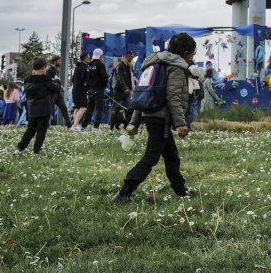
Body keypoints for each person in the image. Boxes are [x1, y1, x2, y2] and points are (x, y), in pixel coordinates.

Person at [111, 32, 198, 203]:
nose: (192, 57)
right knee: (151, 157)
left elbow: (141, 95)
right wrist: (181, 123)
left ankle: (181, 190)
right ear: (186, 53)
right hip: (161, 118)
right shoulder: (176, 67)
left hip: (152, 115)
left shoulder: (153, 63)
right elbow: (173, 97)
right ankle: (123, 193)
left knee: (172, 156)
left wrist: (134, 122)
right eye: (192, 54)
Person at [14, 56, 62, 155]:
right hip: (44, 109)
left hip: (32, 109)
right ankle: (37, 149)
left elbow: (27, 92)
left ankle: (19, 148)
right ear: (44, 67)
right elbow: (57, 89)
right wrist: (57, 80)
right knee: (41, 130)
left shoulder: (28, 80)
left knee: (30, 130)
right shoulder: (46, 79)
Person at [109, 52, 135, 131]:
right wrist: (125, 88)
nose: (132, 58)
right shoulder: (119, 66)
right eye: (131, 57)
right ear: (127, 57)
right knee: (115, 106)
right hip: (119, 89)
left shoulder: (129, 66)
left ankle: (125, 124)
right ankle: (110, 123)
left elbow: (130, 78)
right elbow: (120, 78)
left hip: (127, 90)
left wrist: (130, 88)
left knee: (126, 107)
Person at [45, 56, 72, 128]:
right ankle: (46, 125)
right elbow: (48, 83)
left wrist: (60, 86)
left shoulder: (56, 70)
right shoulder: (49, 71)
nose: (61, 62)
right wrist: (56, 86)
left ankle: (69, 125)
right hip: (52, 94)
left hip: (58, 93)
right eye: (59, 61)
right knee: (49, 110)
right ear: (54, 61)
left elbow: (56, 81)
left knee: (64, 108)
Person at [70, 51, 90, 129]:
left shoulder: (77, 67)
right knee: (83, 108)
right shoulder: (84, 67)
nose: (90, 58)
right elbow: (84, 78)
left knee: (77, 108)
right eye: (88, 57)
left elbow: (72, 79)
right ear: (85, 58)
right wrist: (88, 84)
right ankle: (75, 125)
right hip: (81, 90)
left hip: (75, 89)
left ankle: (75, 125)